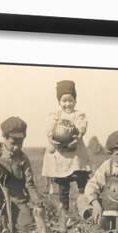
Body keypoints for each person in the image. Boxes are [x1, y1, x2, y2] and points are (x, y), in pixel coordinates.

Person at [41, 80, 91, 213]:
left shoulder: (78, 114)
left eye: (71, 100)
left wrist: (79, 135)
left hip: (75, 153)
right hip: (61, 154)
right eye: (64, 101)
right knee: (63, 183)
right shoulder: (56, 115)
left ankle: (84, 205)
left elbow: (82, 125)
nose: (67, 104)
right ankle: (65, 209)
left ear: (75, 100)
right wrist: (51, 137)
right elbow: (50, 127)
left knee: (81, 179)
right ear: (59, 102)